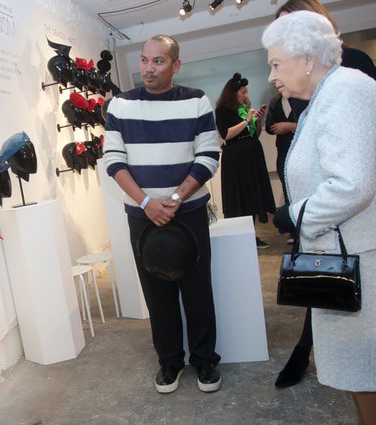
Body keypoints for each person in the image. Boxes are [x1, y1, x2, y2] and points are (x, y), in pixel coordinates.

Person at [263, 11, 376, 424]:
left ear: (307, 59)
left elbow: (351, 186)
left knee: (368, 370)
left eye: (277, 64)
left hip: (367, 255)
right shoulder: (331, 92)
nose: (274, 76)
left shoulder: (345, 92)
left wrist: (292, 217)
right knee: (362, 371)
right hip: (357, 249)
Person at [102, 34, 222, 394]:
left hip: (188, 211)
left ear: (175, 64)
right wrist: (146, 203)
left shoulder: (196, 101)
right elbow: (113, 160)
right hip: (142, 216)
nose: (148, 69)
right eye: (144, 60)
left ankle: (204, 362)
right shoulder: (120, 105)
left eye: (158, 61)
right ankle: (170, 363)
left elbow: (209, 155)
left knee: (198, 290)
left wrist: (174, 198)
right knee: (157, 292)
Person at [215, 73, 275, 249]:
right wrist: (246, 121)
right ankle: (240, 237)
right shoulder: (222, 110)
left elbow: (255, 133)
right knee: (239, 196)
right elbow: (226, 134)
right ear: (233, 93)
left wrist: (258, 119)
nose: (246, 95)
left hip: (252, 154)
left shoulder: (245, 108)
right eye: (243, 92)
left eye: (246, 92)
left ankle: (253, 234)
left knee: (253, 194)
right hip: (236, 158)